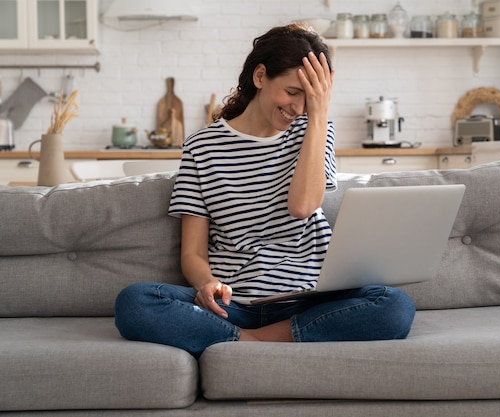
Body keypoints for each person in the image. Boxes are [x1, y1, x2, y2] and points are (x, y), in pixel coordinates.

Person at [115, 23, 416, 358]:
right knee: (136, 303)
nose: (299, 108)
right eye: (292, 92)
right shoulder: (203, 147)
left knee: (395, 306)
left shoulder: (314, 131)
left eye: (310, 97)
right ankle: (262, 337)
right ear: (261, 77)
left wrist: (318, 116)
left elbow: (302, 205)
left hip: (310, 300)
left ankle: (246, 341)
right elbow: (193, 254)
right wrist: (206, 285)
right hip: (235, 304)